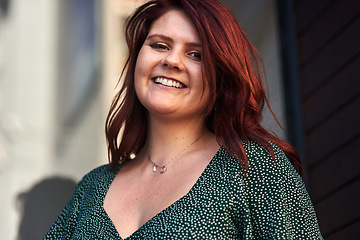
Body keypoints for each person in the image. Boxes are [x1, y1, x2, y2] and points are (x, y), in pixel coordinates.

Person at [44, 0, 323, 239]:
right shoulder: (91, 189)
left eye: (195, 54)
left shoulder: (255, 168)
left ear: (221, 78)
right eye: (160, 45)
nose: (172, 61)